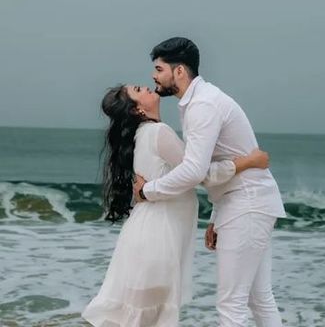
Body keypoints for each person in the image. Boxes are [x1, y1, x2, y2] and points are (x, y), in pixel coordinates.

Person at [82, 83, 270, 327]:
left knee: (141, 317)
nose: (149, 87)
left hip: (146, 233)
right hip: (157, 237)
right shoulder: (159, 132)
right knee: (151, 317)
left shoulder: (144, 136)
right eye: (139, 90)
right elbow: (200, 174)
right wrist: (248, 161)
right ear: (136, 110)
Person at [133, 37, 286, 327]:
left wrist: (147, 191)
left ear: (179, 71)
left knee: (232, 304)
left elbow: (194, 170)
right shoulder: (199, 102)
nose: (154, 76)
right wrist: (217, 215)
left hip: (247, 204)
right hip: (246, 203)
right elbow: (218, 163)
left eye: (159, 68)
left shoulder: (203, 105)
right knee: (258, 298)